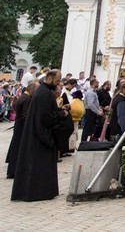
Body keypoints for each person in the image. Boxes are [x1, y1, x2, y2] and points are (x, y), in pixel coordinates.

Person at [11, 70, 69, 201]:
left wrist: (58, 112)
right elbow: (45, 118)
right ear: (49, 78)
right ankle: (38, 192)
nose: (59, 82)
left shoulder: (44, 92)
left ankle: (43, 191)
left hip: (38, 134)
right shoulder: (44, 94)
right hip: (39, 137)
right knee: (37, 165)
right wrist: (61, 114)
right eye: (57, 79)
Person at [5, 82, 35, 179]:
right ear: (32, 89)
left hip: (18, 125)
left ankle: (13, 170)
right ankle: (15, 171)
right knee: (19, 148)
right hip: (22, 127)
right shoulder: (26, 99)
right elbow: (25, 116)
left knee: (16, 147)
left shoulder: (22, 97)